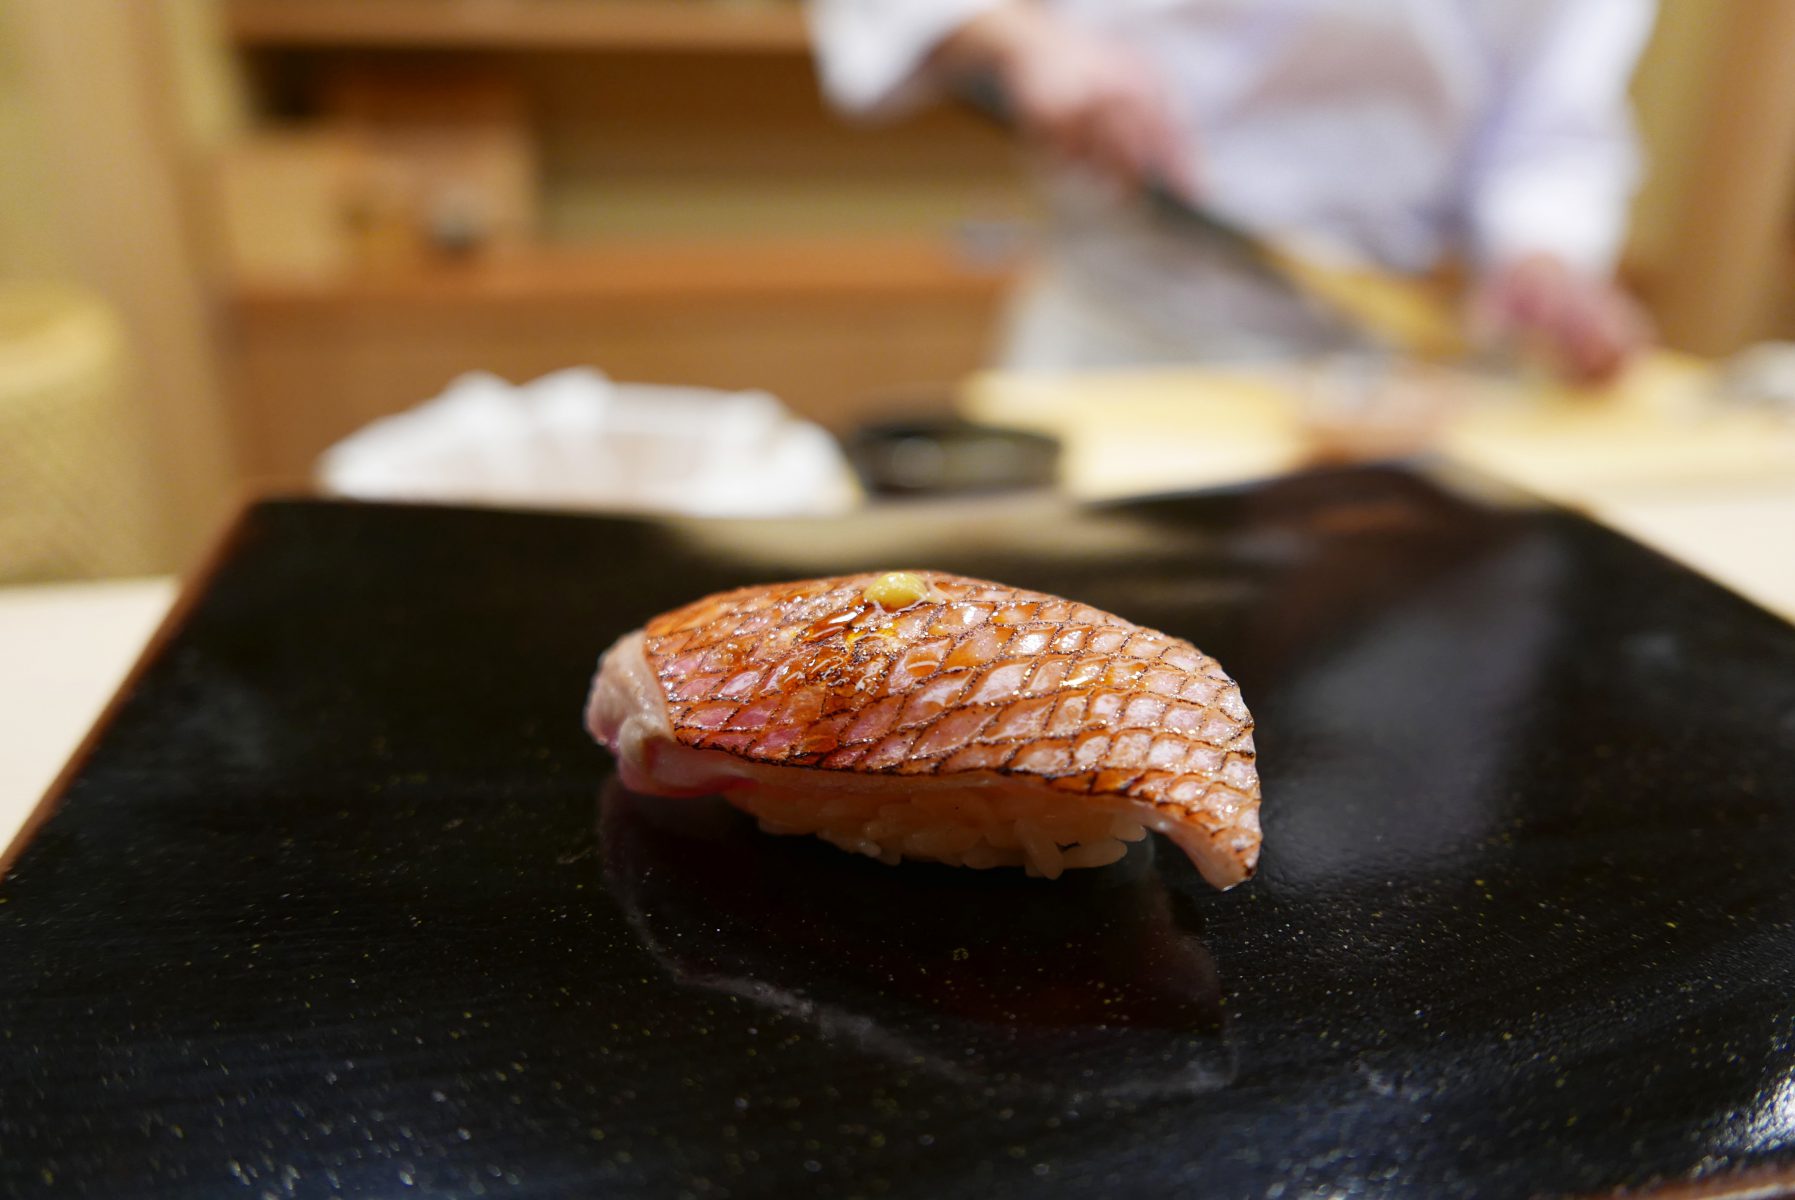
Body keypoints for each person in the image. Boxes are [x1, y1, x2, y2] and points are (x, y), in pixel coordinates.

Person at [808, 0, 1656, 383]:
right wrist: (1016, 31)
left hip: (1384, 354)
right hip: (1122, 331)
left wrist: (1545, 250)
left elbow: (1553, 121)